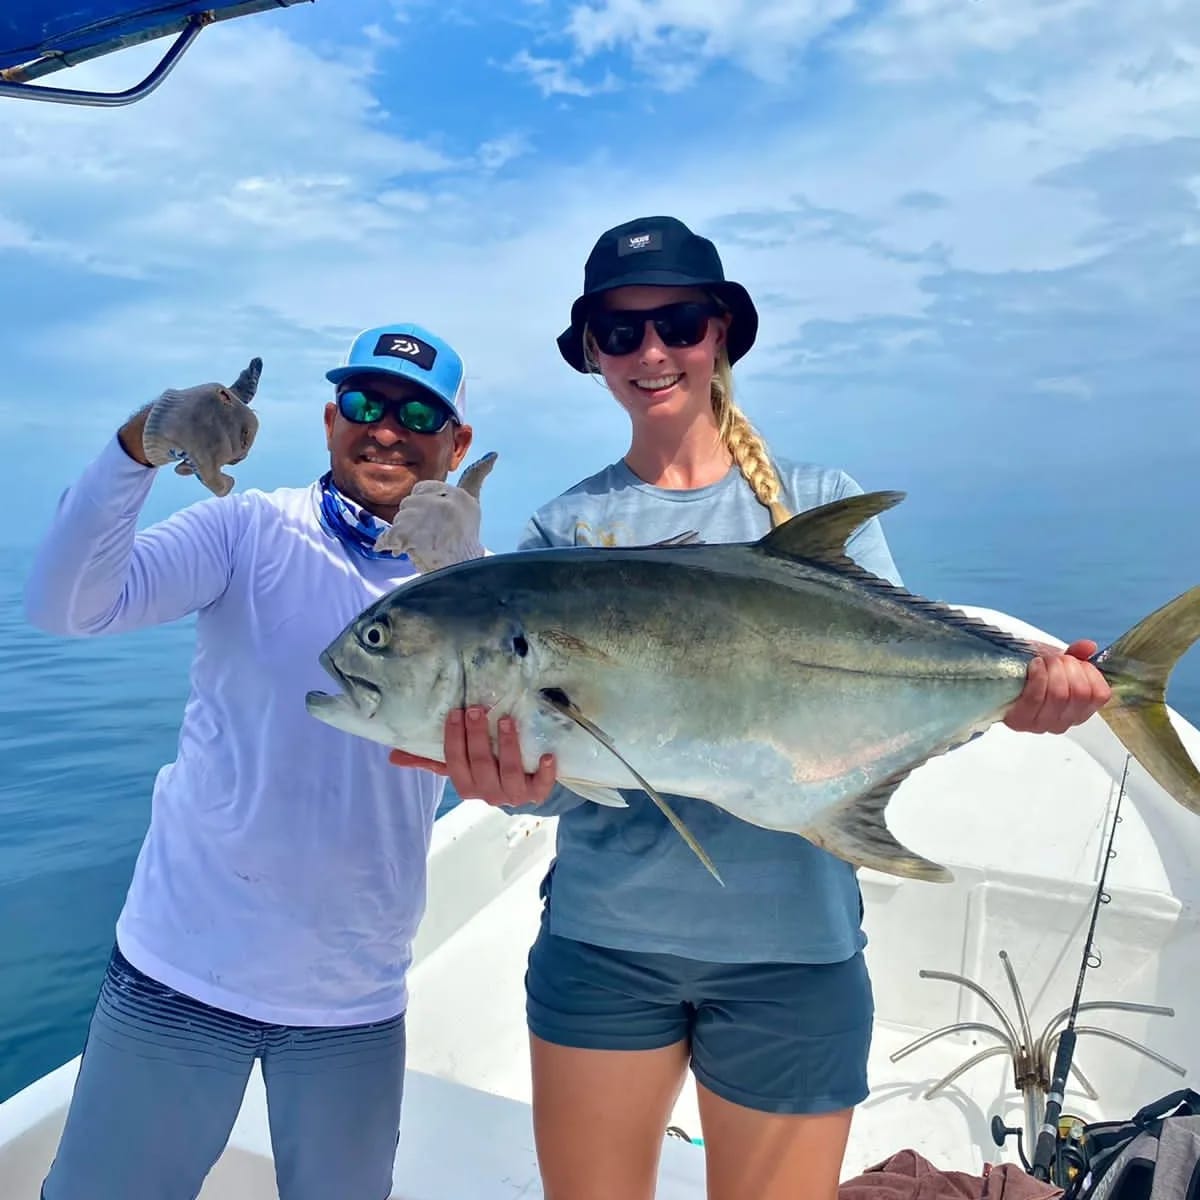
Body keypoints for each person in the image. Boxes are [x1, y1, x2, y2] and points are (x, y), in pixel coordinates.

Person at [387, 218, 1114, 1200]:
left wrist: (1015, 695)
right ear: (593, 354)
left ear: (719, 331)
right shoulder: (560, 532)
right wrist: (512, 788)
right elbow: (566, 789)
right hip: (607, 951)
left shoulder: (810, 504)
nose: (652, 352)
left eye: (678, 322)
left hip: (794, 961)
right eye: (620, 331)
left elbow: (881, 701)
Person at [24, 323, 493, 1200]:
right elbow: (67, 604)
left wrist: (458, 580)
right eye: (364, 402)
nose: (385, 428)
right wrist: (147, 437)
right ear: (328, 419)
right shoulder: (247, 530)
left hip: (351, 1003)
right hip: (179, 973)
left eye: (417, 413)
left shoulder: (482, 588)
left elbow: (513, 777)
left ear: (456, 443)